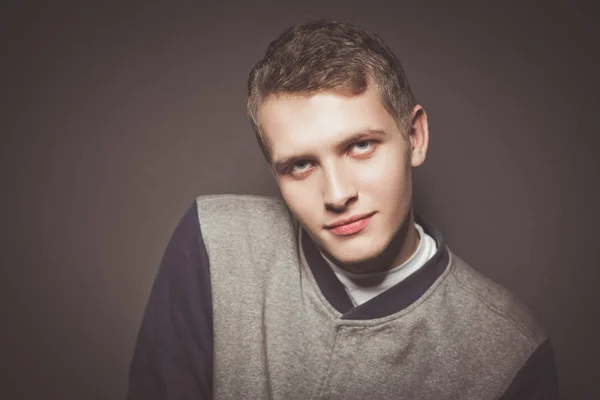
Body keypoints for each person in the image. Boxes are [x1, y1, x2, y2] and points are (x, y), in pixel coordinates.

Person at [126, 19, 559, 399]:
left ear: (416, 136)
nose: (336, 195)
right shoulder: (213, 244)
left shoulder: (510, 349)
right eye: (300, 165)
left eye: (360, 146)